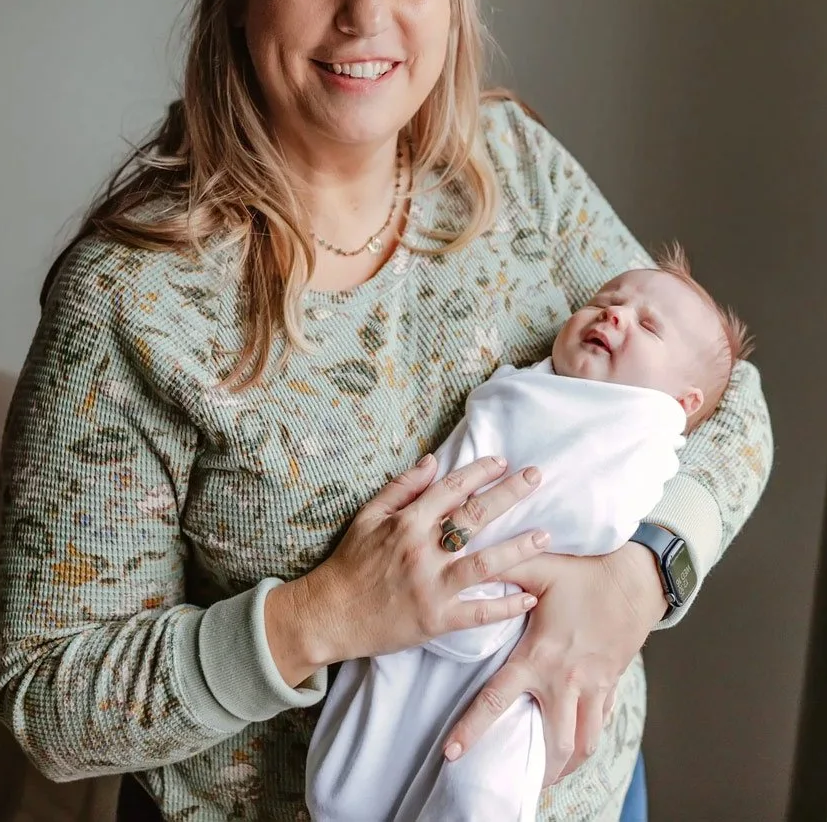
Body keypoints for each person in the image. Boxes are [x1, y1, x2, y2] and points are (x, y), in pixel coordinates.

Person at [0, 0, 774, 822]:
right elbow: (52, 703)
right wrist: (317, 619)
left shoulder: (509, 167)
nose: (365, 17)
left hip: (589, 797)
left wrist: (640, 578)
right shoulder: (134, 301)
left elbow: (725, 396)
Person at [306, 254, 750, 822]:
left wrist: (640, 576)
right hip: (419, 604)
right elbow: (481, 445)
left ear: (683, 404)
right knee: (351, 777)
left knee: (481, 785)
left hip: (537, 650)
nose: (615, 314)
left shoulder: (642, 431)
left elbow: (606, 511)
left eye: (648, 325)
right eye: (607, 301)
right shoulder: (525, 388)